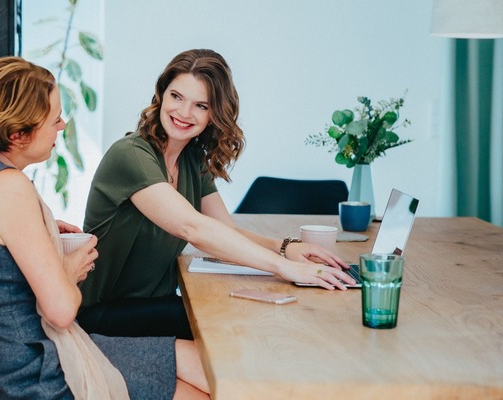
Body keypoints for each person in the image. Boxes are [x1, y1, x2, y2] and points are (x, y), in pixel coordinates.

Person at [0, 56, 210, 399]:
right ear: (19, 135)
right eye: (54, 119)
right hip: (38, 371)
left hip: (23, 356)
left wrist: (39, 228)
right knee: (205, 386)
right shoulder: (9, 187)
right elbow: (62, 311)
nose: (62, 125)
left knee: (209, 365)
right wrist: (69, 267)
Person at [77, 49, 355, 340]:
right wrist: (284, 268)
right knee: (220, 322)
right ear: (161, 95)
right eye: (176, 97)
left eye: (200, 105)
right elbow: (193, 228)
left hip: (148, 307)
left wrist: (285, 247)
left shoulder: (191, 159)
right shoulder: (131, 155)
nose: (184, 113)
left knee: (240, 314)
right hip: (101, 313)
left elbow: (224, 230)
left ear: (214, 114)